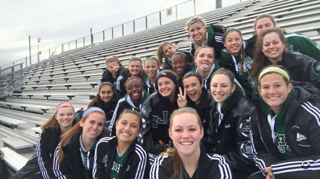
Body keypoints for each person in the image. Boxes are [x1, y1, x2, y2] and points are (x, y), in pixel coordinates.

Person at [249, 66, 320, 179]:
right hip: (280, 171)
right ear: (259, 90)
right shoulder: (256, 114)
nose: (272, 92)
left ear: (288, 87)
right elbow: (259, 151)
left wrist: (279, 169)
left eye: (277, 85)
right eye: (266, 87)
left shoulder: (310, 113)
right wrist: (269, 169)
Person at [202, 68, 256, 178]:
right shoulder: (214, 105)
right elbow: (209, 139)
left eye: (224, 86)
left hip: (240, 170)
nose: (218, 90)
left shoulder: (244, 111)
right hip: (222, 162)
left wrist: (214, 163)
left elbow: (246, 156)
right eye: (214, 85)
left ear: (232, 88)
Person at [150, 107, 232, 179]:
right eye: (178, 130)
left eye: (192, 129)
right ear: (170, 134)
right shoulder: (161, 165)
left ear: (201, 132)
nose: (185, 136)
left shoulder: (218, 165)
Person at [14, 102, 76, 179]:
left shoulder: (79, 134)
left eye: (69, 114)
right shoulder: (46, 133)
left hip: (66, 171)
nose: (66, 117)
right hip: (46, 168)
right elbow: (42, 159)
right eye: (61, 115)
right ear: (56, 116)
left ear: (74, 115)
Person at [250, 28, 320, 89]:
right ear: (262, 49)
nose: (271, 47)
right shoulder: (258, 70)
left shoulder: (304, 63)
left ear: (283, 44)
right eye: (267, 44)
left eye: (275, 42)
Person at [52, 107, 107, 179]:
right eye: (92, 122)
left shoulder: (107, 146)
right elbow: (58, 172)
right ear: (82, 123)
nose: (95, 127)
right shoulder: (65, 144)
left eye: (100, 124)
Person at [93, 110, 150, 179]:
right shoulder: (103, 144)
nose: (127, 129)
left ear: (138, 131)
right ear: (116, 124)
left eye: (133, 126)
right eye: (124, 123)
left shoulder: (139, 154)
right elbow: (98, 175)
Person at [247, 14, 320, 61]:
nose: (264, 29)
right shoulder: (255, 48)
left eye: (267, 25)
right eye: (260, 27)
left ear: (275, 26)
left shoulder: (294, 39)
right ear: (256, 31)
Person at [141, 70, 179, 155]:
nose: (163, 87)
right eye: (160, 84)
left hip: (180, 146)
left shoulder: (183, 99)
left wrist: (183, 107)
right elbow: (144, 131)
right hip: (156, 149)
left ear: (175, 84)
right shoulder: (150, 102)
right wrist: (156, 148)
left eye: (167, 83)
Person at [219, 28, 254, 99]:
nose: (234, 43)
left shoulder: (251, 50)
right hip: (247, 99)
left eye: (237, 39)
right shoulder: (224, 63)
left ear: (241, 40)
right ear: (225, 44)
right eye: (230, 40)